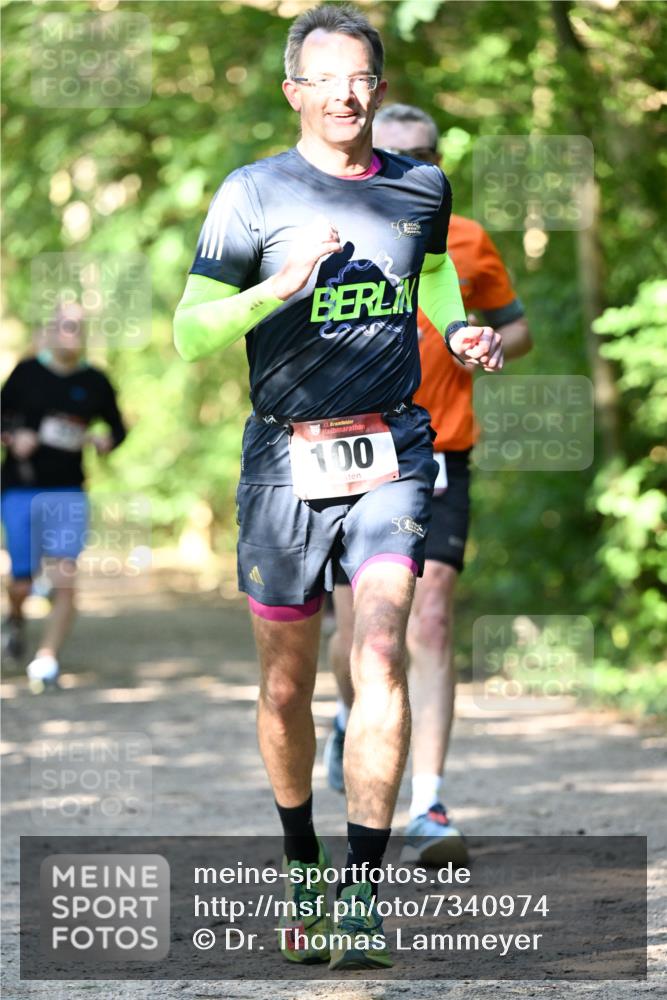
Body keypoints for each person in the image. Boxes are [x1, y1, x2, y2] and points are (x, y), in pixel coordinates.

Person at [174, 4, 503, 971]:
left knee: (382, 649)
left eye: (359, 77)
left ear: (379, 87)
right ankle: (302, 869)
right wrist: (278, 287)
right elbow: (190, 333)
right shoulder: (251, 194)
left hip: (392, 450)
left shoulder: (420, 186)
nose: (343, 95)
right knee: (284, 687)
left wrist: (459, 331)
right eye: (323, 79)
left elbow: (431, 279)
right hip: (284, 460)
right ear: (294, 92)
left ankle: (360, 895)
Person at [324, 103, 532, 865]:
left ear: (439, 160)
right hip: (349, 449)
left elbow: (517, 326)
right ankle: (349, 720)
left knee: (432, 614)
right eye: (395, 152)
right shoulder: (329, 235)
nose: (412, 165)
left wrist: (484, 341)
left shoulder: (467, 239)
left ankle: (428, 804)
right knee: (359, 634)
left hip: (441, 447)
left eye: (424, 153)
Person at [1, 302, 127, 691]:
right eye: (65, 326)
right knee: (21, 582)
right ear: (52, 331)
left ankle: (46, 659)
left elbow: (118, 428)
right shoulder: (26, 373)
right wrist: (13, 437)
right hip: (20, 488)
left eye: (78, 327)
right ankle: (16, 617)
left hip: (69, 491)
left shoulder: (95, 381)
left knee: (65, 578)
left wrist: (106, 441)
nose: (71, 333)